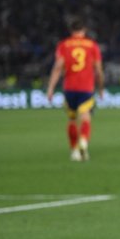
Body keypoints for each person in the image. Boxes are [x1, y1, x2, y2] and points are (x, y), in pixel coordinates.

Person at [46, 20, 104, 161]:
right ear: (83, 30)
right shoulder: (92, 45)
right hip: (86, 87)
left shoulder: (64, 45)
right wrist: (101, 87)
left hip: (69, 88)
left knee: (72, 119)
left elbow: (58, 67)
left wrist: (50, 88)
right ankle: (83, 142)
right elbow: (98, 69)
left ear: (71, 31)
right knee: (85, 117)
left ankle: (74, 151)